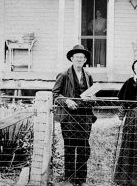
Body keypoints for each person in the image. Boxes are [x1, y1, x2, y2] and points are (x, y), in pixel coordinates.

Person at [53, 44, 96, 186]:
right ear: (72, 59)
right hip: (69, 117)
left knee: (84, 147)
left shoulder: (88, 75)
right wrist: (66, 100)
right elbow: (55, 94)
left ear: (85, 60)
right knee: (70, 147)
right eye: (77, 57)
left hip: (85, 116)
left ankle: (81, 179)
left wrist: (92, 98)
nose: (79, 59)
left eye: (82, 57)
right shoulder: (64, 74)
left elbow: (92, 93)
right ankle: (70, 177)